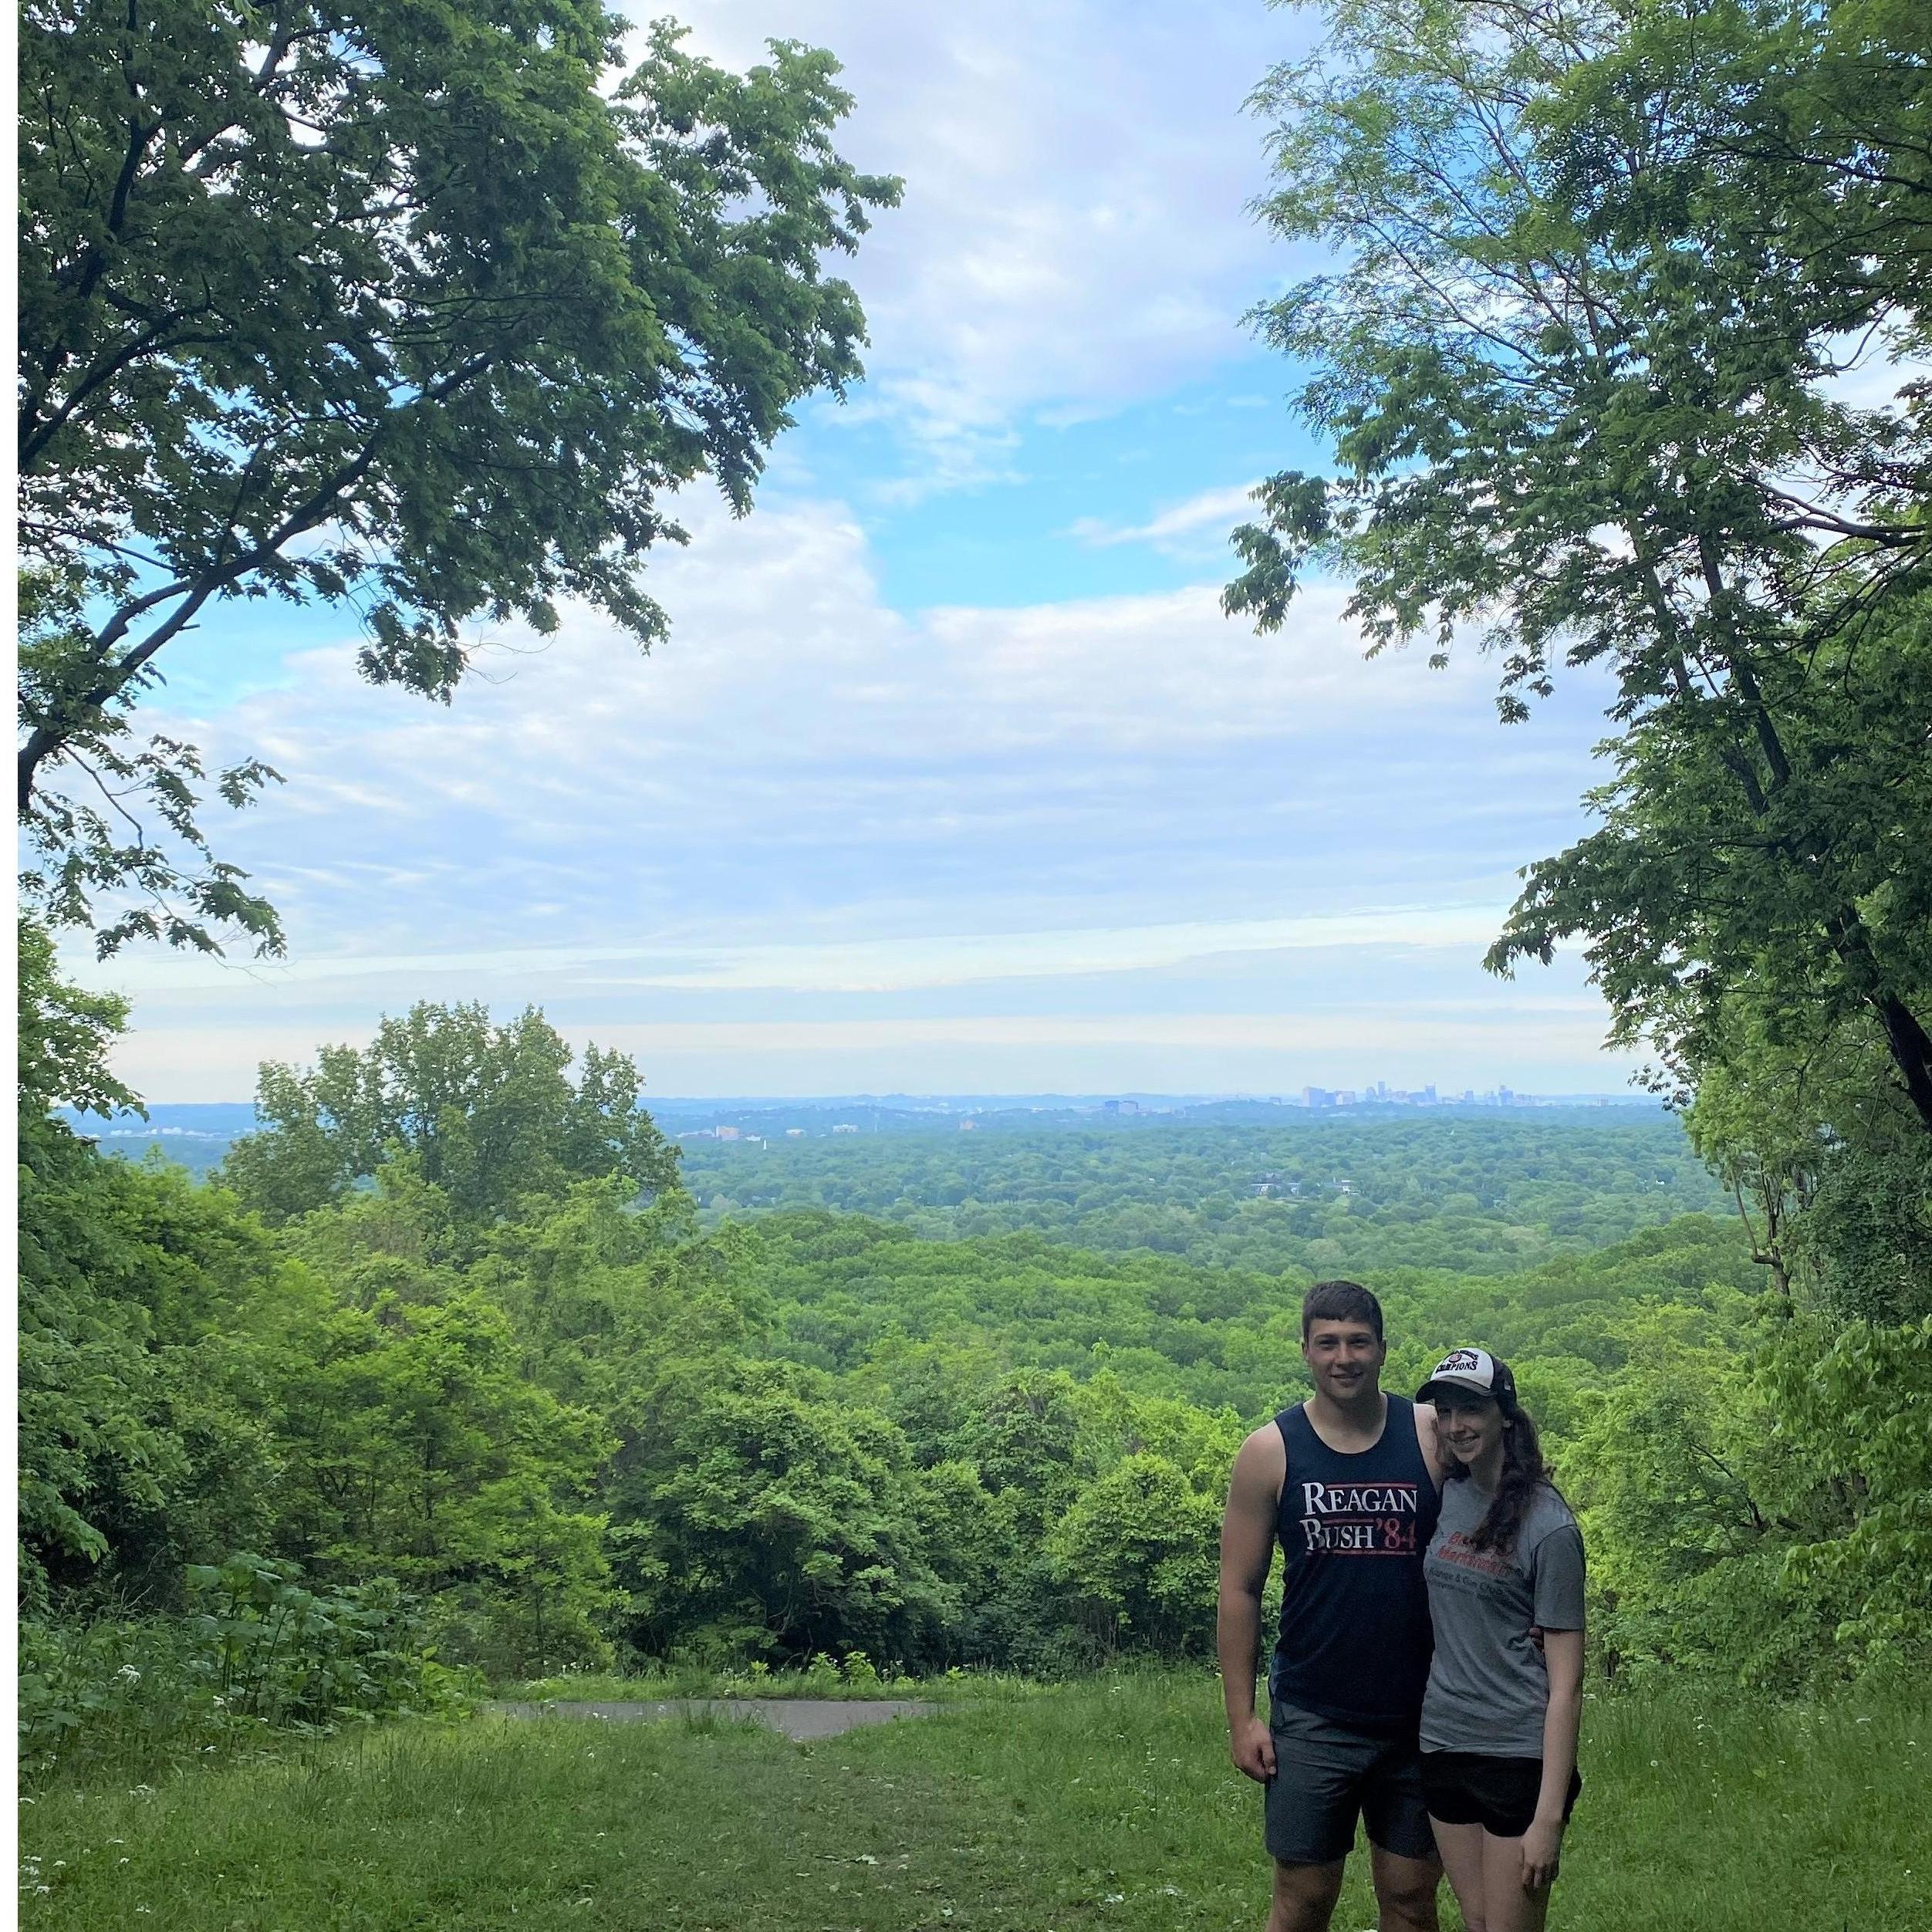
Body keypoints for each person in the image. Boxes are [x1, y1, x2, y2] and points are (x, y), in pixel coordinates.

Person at [1218, 1280, 1448, 1932]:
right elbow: (1239, 1589)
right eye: (1328, 1343)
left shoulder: (1429, 1434)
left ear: (1382, 1349)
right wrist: (1243, 1719)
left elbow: (1499, 1520)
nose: (1343, 1357)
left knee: (1409, 1895)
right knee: (1304, 1895)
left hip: (1422, 1713)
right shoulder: (1271, 1451)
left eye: (1358, 1342)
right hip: (1313, 1713)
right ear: (1306, 1351)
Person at [1414, 1348, 1585, 1932]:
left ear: (1505, 1416)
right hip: (1443, 1742)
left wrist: (1549, 1820)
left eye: (1472, 1409)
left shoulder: (1550, 1527)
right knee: (1478, 1922)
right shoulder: (1448, 1494)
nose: (1457, 1424)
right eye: (1446, 1410)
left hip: (1516, 1754)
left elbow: (1567, 1686)